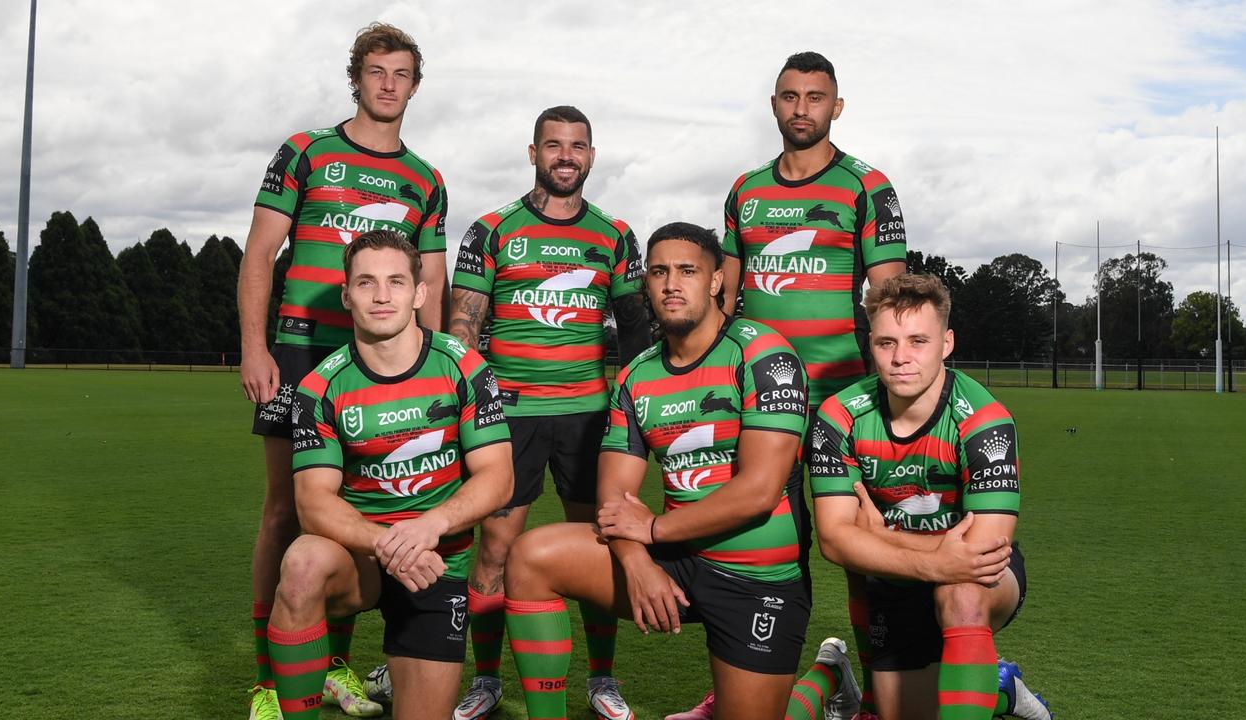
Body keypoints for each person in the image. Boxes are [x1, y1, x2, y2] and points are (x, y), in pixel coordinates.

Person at [501, 222, 861, 720]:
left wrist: (652, 530)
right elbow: (614, 500)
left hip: (757, 576)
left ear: (715, 281)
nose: (672, 283)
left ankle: (826, 672)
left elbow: (759, 490)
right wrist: (640, 561)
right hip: (672, 560)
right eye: (659, 272)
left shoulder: (763, 354)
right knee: (531, 557)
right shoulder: (636, 375)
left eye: (688, 271)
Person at [675, 50, 909, 720]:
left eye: (814, 97)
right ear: (773, 105)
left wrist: (887, 398)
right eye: (788, 96)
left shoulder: (868, 187)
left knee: (865, 546)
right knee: (761, 544)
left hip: (842, 401)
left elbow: (888, 297)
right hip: (758, 402)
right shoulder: (745, 190)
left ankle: (877, 689)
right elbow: (725, 295)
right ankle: (742, 687)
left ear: (836, 107)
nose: (800, 108)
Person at [394, 105, 648, 720]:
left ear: (592, 155)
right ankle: (486, 681)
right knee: (495, 551)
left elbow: (637, 332)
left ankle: (601, 679)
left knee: (600, 546)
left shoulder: (614, 234)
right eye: (554, 145)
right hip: (511, 420)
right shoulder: (492, 230)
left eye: (578, 146)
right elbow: (461, 330)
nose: (567, 156)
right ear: (532, 152)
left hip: (591, 421)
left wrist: (639, 410)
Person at [237, 22, 448, 720]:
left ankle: (335, 665)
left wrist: (435, 371)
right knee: (285, 510)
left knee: (365, 508)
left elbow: (434, 287)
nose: (389, 85)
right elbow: (262, 252)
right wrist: (255, 346)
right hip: (301, 351)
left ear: (416, 86)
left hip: (387, 362)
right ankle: (274, 676)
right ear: (356, 77)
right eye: (377, 71)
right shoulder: (305, 152)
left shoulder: (426, 180)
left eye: (402, 75)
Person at [266, 229, 512, 720]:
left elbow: (497, 478)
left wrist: (429, 527)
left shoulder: (463, 366)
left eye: (396, 282)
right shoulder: (319, 387)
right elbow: (313, 502)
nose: (382, 295)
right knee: (301, 565)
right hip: (359, 559)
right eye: (366, 283)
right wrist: (386, 544)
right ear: (346, 295)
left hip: (438, 563)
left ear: (419, 293)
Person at [807, 273, 1052, 720]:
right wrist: (932, 558)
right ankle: (1003, 693)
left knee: (961, 593)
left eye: (918, 340)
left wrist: (881, 538)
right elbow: (834, 541)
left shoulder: (984, 421)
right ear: (870, 346)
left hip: (977, 580)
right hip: (894, 581)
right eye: (886, 343)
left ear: (947, 343)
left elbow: (981, 552)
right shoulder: (838, 417)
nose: (901, 358)